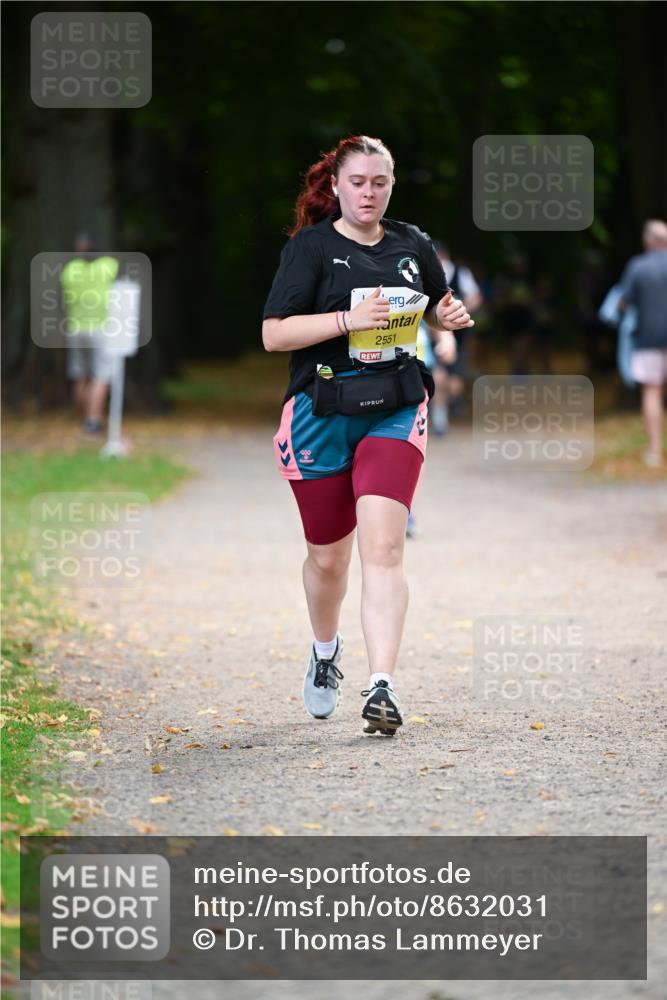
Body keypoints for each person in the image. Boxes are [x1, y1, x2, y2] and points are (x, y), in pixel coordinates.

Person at [262, 135, 473, 736]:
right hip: (321, 410)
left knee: (383, 549)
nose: (369, 193)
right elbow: (274, 335)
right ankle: (326, 652)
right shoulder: (311, 248)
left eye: (380, 183)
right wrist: (346, 320)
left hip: (396, 405)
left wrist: (447, 316)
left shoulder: (413, 243)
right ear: (336, 185)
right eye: (358, 182)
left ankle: (382, 685)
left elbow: (436, 302)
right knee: (329, 559)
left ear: (391, 185)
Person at [618, 219, 667, 467]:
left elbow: (623, 303)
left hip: (648, 339)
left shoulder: (638, 267)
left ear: (647, 241)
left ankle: (655, 451)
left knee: (652, 392)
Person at [60, 234, 119, 436]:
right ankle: (93, 421)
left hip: (76, 329)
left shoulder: (69, 270)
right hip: (101, 328)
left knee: (80, 376)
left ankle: (85, 419)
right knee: (101, 375)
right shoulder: (108, 265)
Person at [428, 241, 482, 435]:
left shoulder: (461, 273)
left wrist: (459, 310)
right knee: (438, 374)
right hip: (432, 334)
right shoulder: (425, 275)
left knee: (455, 380)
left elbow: (475, 297)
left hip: (460, 334)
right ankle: (439, 416)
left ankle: (455, 401)